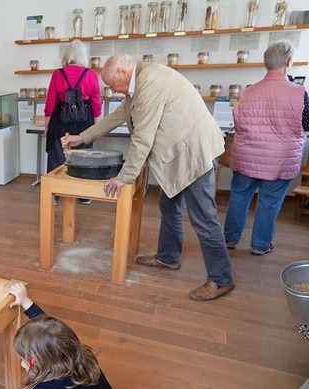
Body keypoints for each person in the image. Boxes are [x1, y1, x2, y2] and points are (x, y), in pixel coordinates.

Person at [62, 54, 234, 302]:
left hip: (193, 154)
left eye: (112, 84)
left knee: (204, 217)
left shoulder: (150, 82)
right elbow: (117, 116)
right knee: (169, 204)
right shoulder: (138, 83)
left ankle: (221, 279)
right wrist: (82, 137)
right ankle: (168, 257)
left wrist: (124, 177)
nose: (112, 90)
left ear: (122, 71)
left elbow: (142, 137)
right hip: (180, 153)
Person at [224, 41, 309, 256]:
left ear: (265, 63)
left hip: (246, 155)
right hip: (280, 159)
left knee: (239, 196)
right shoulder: (300, 93)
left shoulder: (249, 91)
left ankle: (230, 239)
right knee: (269, 202)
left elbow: (237, 121)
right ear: (289, 62)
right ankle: (260, 245)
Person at [44, 40, 102, 206]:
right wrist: (96, 125)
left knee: (56, 155)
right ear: (83, 56)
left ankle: (54, 195)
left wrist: (47, 125)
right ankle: (83, 194)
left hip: (60, 119)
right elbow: (96, 103)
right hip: (84, 121)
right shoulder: (91, 75)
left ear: (67, 56)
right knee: (84, 156)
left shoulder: (58, 74)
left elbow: (50, 103)